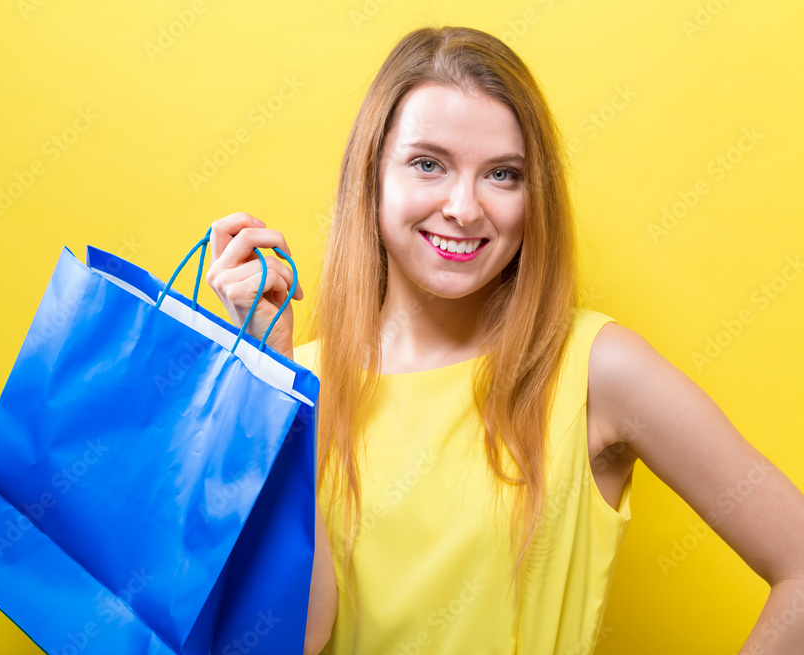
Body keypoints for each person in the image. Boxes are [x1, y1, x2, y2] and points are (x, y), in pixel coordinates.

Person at [205, 25, 804, 655]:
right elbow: (293, 638)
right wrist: (270, 378)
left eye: (503, 175)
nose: (464, 208)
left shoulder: (594, 370)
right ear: (372, 175)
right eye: (428, 164)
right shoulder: (295, 379)